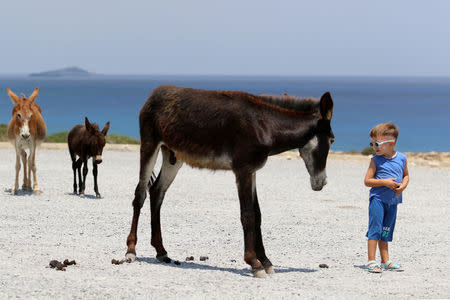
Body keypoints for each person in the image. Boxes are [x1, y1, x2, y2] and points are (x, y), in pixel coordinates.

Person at [363, 122, 409, 273]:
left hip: (393, 201)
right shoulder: (375, 160)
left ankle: (385, 261)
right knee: (375, 229)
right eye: (372, 143)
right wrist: (384, 182)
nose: (374, 147)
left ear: (391, 143)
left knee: (386, 231)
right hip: (377, 200)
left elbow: (406, 175)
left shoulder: (402, 158)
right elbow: (367, 181)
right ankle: (371, 261)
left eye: (377, 143)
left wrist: (403, 186)